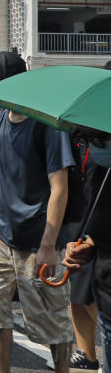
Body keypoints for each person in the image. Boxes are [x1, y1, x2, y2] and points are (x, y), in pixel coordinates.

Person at [0, 51, 76, 373]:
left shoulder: (47, 123)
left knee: (52, 321)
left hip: (38, 239)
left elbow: (59, 187)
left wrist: (48, 247)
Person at [63, 127, 111, 373]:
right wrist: (90, 243)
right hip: (82, 227)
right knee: (78, 293)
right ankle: (87, 354)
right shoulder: (83, 145)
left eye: (102, 137)